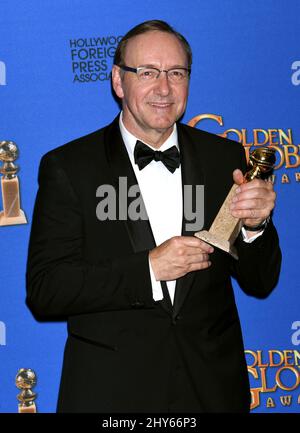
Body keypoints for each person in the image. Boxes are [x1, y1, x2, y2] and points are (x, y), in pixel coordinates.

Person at [26, 20, 281, 413]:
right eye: (147, 72)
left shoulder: (225, 160)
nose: (164, 88)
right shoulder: (71, 167)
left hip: (211, 391)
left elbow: (260, 281)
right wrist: (148, 269)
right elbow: (46, 290)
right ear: (118, 81)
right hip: (112, 393)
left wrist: (255, 227)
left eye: (176, 73)